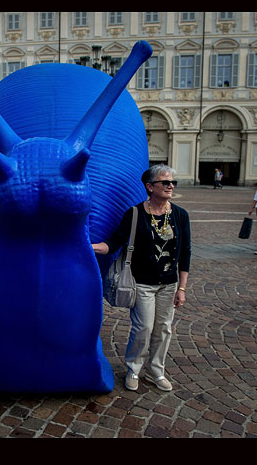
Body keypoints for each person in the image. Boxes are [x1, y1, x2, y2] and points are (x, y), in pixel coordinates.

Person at [92, 164, 191, 393]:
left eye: (172, 183)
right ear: (150, 186)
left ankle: (156, 371)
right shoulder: (135, 214)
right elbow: (113, 243)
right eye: (165, 182)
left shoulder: (179, 215)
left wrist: (182, 288)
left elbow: (185, 252)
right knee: (143, 328)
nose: (170, 186)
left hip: (169, 284)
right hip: (142, 283)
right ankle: (134, 369)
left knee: (164, 329)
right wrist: (88, 246)